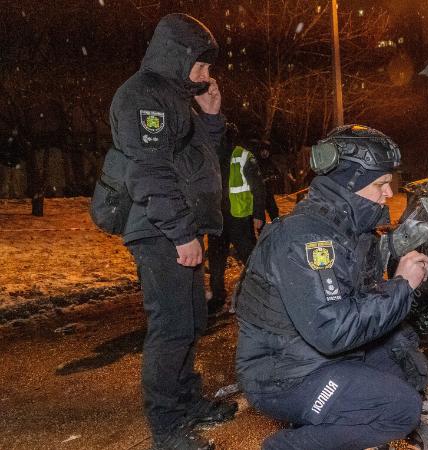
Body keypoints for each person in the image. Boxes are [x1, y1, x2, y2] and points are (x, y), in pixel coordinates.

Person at [235, 125, 428, 449]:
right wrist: (402, 286)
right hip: (282, 374)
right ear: (350, 185)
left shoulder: (353, 231)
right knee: (400, 409)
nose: (388, 194)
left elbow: (364, 299)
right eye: (381, 184)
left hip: (317, 356)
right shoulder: (306, 240)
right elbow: (333, 330)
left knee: (403, 368)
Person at [110, 13, 236, 450]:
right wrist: (182, 234)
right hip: (159, 230)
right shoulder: (144, 95)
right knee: (171, 328)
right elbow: (151, 171)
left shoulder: (175, 96)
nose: (207, 75)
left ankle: (188, 402)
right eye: (201, 66)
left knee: (191, 321)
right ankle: (167, 430)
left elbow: (199, 161)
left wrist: (212, 116)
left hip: (178, 227)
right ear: (177, 57)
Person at [207, 123, 267, 316]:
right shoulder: (210, 155)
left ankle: (262, 295)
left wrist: (258, 214)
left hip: (238, 216)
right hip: (218, 217)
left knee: (249, 257)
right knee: (217, 260)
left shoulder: (242, 155)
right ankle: (218, 298)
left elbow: (257, 186)